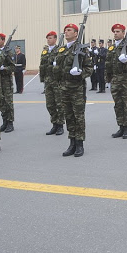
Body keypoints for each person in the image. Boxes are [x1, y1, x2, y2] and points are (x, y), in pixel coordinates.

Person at [53, 23, 93, 157]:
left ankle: (80, 144)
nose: (66, 32)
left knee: (78, 117)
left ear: (76, 33)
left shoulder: (81, 49)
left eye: (69, 30)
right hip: (63, 88)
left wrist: (80, 73)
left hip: (77, 89)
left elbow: (89, 68)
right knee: (68, 116)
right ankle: (72, 142)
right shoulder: (61, 49)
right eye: (65, 30)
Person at [106, 23, 127, 139]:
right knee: (118, 105)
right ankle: (120, 126)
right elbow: (107, 65)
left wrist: (126, 62)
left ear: (124, 33)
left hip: (126, 81)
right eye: (114, 32)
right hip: (115, 80)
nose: (115, 33)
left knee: (126, 105)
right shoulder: (111, 48)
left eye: (118, 31)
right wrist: (108, 80)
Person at [40, 31, 65, 136]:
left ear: (55, 39)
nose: (48, 40)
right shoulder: (45, 51)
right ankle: (54, 123)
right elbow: (42, 66)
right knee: (50, 104)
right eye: (48, 38)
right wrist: (43, 79)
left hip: (56, 81)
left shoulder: (60, 50)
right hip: (48, 81)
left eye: (50, 38)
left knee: (59, 103)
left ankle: (60, 125)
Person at [0, 33, 16, 133]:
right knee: (1, 103)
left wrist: (4, 68)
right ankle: (4, 122)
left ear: (3, 41)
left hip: (6, 82)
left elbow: (13, 67)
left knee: (8, 103)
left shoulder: (8, 52)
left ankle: (10, 122)